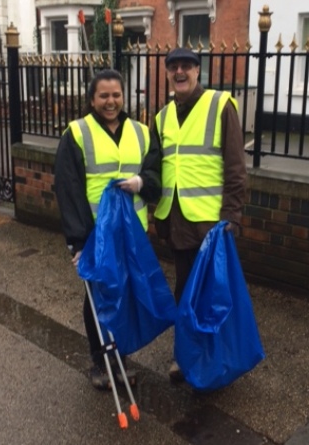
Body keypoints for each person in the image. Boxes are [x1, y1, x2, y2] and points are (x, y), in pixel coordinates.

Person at [54, 69, 161, 390]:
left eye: (116, 95)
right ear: (92, 99)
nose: (111, 101)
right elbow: (68, 189)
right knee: (99, 299)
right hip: (96, 236)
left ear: (123, 97)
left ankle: (120, 358)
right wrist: (78, 243)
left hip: (133, 234)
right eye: (104, 96)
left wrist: (142, 182)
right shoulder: (76, 133)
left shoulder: (142, 132)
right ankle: (100, 361)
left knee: (125, 296)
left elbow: (156, 174)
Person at [153, 47, 247, 382]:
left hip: (211, 224)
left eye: (187, 67)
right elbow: (158, 167)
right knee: (184, 291)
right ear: (167, 74)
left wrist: (232, 216)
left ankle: (215, 357)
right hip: (176, 221)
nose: (180, 72)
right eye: (173, 67)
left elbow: (236, 167)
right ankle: (185, 355)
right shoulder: (162, 116)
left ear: (197, 71)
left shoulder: (220, 105)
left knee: (213, 295)